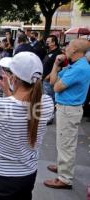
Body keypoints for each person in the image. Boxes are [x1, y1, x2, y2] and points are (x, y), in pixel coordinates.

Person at [0, 52, 54, 200]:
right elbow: (22, 104)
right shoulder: (47, 103)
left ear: (14, 78)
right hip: (27, 174)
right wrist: (8, 91)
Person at [44, 39, 90, 189]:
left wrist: (57, 73)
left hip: (69, 109)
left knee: (66, 144)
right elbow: (52, 81)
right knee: (62, 141)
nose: (66, 48)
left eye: (69, 46)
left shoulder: (79, 68)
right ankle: (62, 166)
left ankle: (65, 178)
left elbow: (56, 87)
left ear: (75, 50)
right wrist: (56, 65)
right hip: (65, 108)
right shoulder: (75, 65)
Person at [42, 35, 62, 104]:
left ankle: (50, 113)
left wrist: (48, 76)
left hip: (50, 81)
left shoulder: (58, 53)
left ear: (53, 43)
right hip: (45, 79)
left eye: (48, 42)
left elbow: (59, 67)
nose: (46, 43)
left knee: (49, 99)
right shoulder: (49, 51)